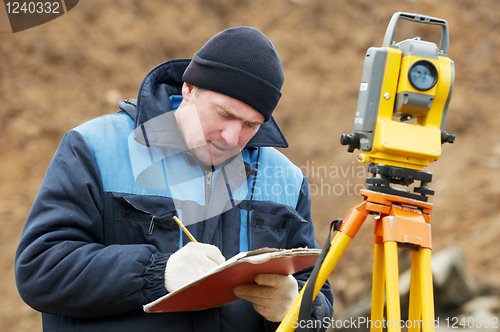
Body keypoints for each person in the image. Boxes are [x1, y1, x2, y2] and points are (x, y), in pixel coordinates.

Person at [15, 26, 333, 332]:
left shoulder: (286, 179)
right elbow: (40, 269)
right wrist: (158, 272)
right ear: (189, 90)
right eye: (225, 114)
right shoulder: (95, 147)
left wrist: (297, 308)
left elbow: (317, 301)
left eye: (251, 125)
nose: (233, 137)